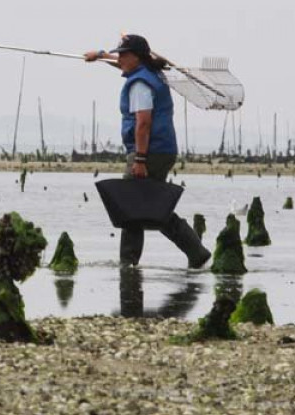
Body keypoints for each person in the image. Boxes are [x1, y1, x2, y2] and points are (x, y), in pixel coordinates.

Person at [85, 34, 210, 268]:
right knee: (153, 207)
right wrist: (102, 57)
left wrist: (140, 159)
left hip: (148, 152)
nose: (120, 58)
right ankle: (197, 252)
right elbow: (124, 65)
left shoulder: (140, 84)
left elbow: (143, 123)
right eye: (119, 54)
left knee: (130, 206)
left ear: (137, 57)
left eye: (124, 54)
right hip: (163, 150)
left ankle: (128, 264)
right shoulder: (151, 74)